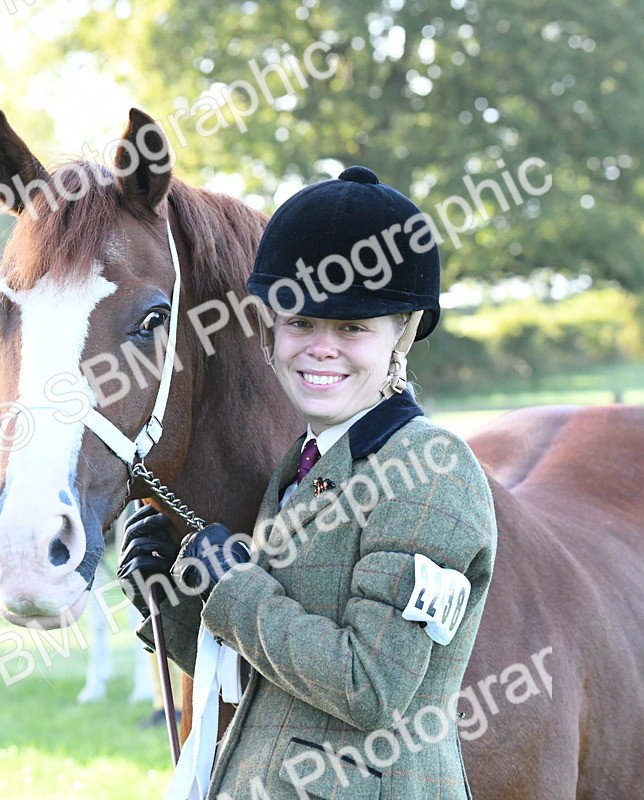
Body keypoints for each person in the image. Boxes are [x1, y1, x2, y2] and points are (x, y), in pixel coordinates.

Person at [119, 166, 498, 799]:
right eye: (300, 323)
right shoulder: (303, 465)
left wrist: (234, 587)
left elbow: (368, 686)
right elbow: (270, 687)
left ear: (401, 336)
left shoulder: (430, 473)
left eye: (352, 329)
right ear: (270, 333)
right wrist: (172, 604)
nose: (320, 348)